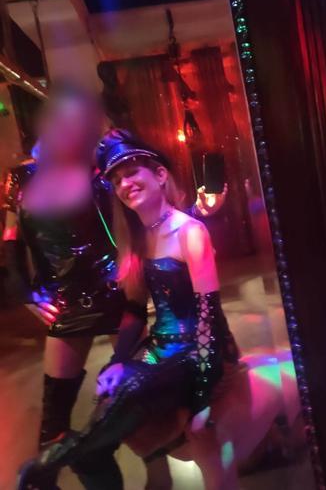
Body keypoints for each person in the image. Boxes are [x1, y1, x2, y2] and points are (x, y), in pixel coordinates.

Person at [17, 128, 239, 490]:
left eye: (132, 172)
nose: (125, 184)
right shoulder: (136, 237)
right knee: (110, 388)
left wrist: (202, 400)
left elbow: (208, 320)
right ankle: (80, 456)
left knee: (131, 389)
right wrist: (119, 359)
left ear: (160, 175)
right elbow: (135, 308)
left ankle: (54, 461)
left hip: (198, 351)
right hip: (153, 344)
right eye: (118, 179)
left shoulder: (189, 231)